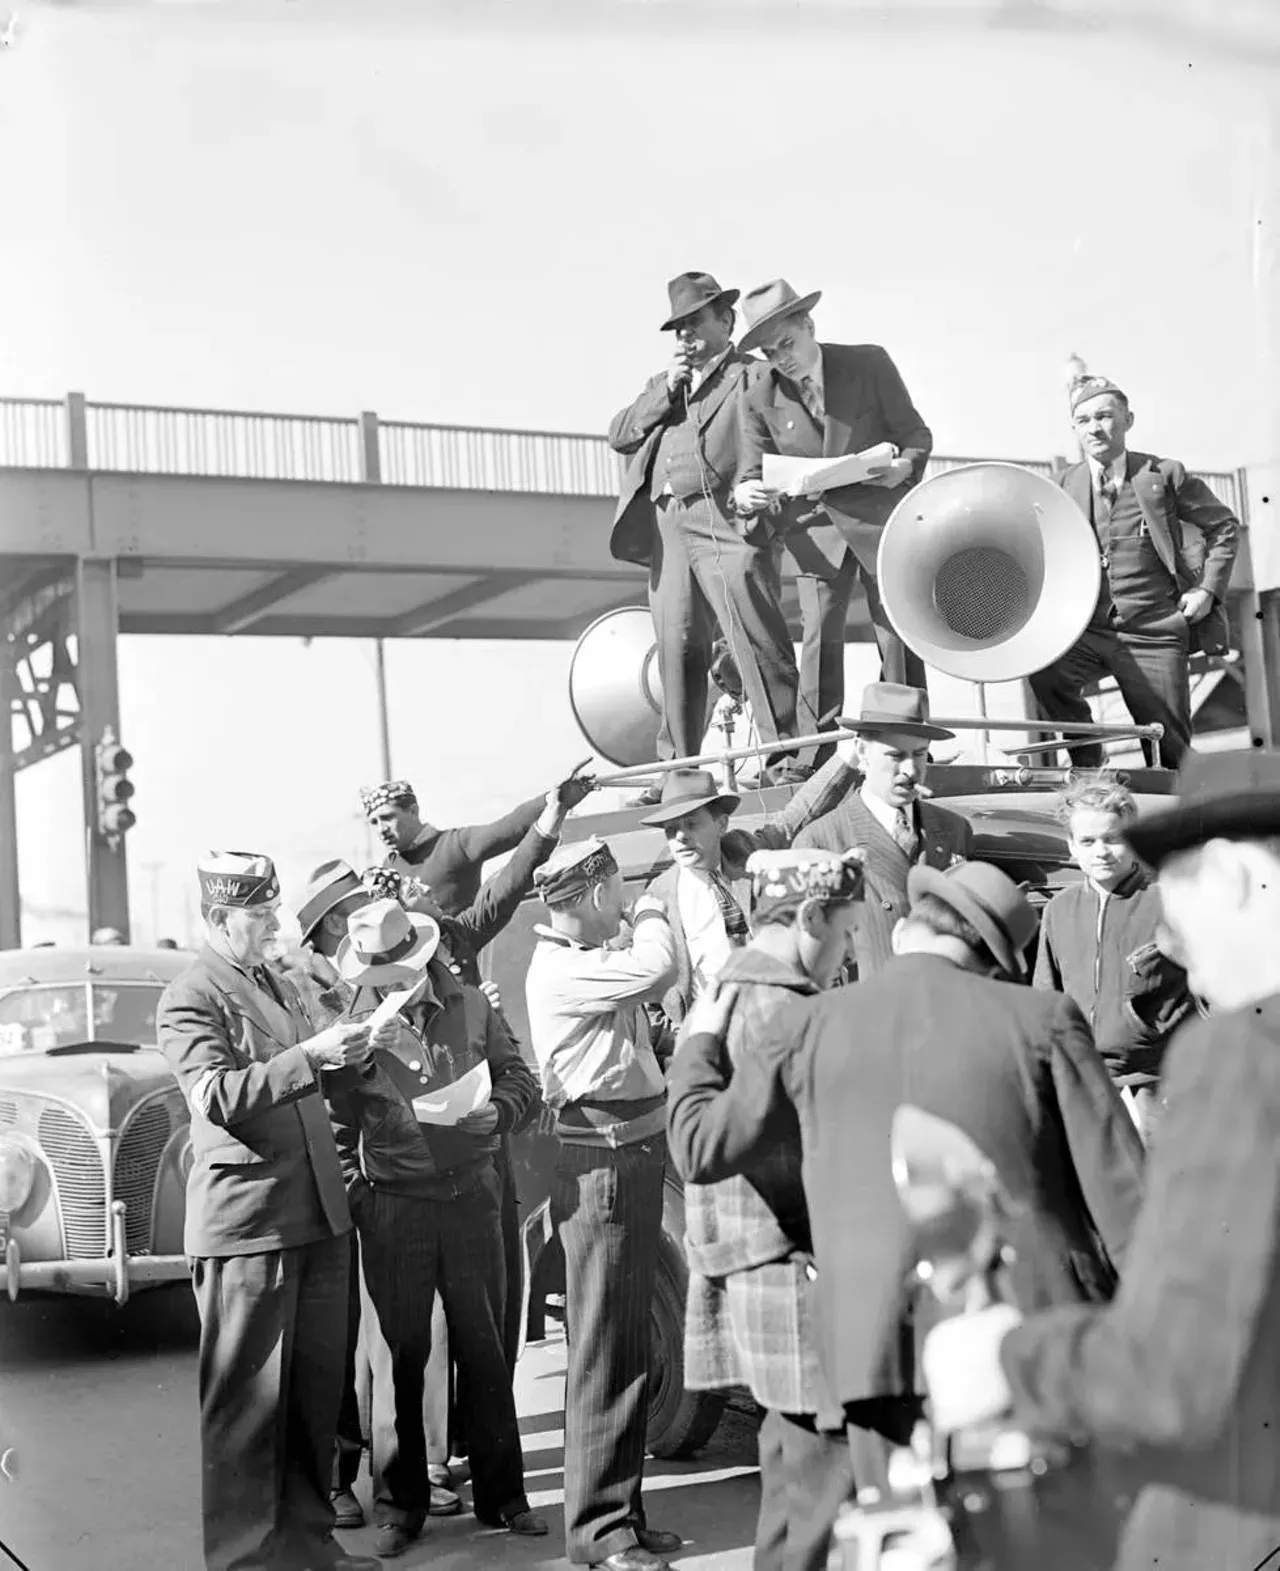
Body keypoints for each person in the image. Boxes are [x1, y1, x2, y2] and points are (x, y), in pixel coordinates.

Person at [668, 860, 1144, 1532]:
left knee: (910, 1538)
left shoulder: (808, 1025)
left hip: (871, 1351)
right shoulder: (1040, 1016)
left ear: (908, 929)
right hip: (1023, 1341)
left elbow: (699, 1145)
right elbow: (1125, 1202)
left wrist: (698, 1048)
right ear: (996, 959)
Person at [922, 749, 1280, 1570]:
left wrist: (1005, 1358)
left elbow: (1177, 1371)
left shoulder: (1241, 1058)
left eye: (1177, 887)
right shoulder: (1066, 918)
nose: (1178, 942)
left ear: (1226, 876)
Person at [156, 852, 379, 1571]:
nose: (277, 924)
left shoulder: (273, 982)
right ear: (220, 921)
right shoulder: (190, 996)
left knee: (312, 1398)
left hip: (315, 1213)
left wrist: (344, 1049)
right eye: (261, 915)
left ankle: (310, 1545)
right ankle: (245, 1560)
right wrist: (310, 1054)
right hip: (249, 1227)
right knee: (248, 1414)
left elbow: (301, 1069)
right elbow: (216, 1096)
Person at [326, 898, 544, 1559]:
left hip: (472, 1196)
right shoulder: (354, 1030)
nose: (384, 991)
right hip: (395, 1206)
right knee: (400, 1358)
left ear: (420, 965)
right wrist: (363, 1200)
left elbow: (521, 1081)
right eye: (375, 980)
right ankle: (400, 1505)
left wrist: (499, 1113)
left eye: (393, 978)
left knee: (484, 1347)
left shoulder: (473, 1006)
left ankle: (504, 1495)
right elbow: (337, 1130)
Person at [667, 848, 865, 1571]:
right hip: (797, 1269)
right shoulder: (786, 1008)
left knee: (789, 1490)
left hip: (760, 1264)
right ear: (810, 915)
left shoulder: (730, 989)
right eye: (842, 933)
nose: (845, 954)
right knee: (822, 1498)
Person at [524, 839, 684, 1571]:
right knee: (601, 1350)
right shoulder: (563, 968)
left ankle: (624, 1511)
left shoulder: (586, 960)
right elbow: (661, 964)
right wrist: (657, 903)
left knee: (628, 1347)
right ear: (591, 896)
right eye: (617, 889)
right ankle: (597, 1529)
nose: (624, 901)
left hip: (631, 1154)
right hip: (601, 1165)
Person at [607, 271, 802, 798]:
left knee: (754, 633)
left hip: (725, 519)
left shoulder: (751, 376)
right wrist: (666, 393)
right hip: (669, 522)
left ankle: (786, 755)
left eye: (695, 323)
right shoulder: (662, 386)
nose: (685, 337)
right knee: (678, 644)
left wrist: (756, 490)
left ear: (726, 322)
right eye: (678, 329)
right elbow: (619, 434)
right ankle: (678, 772)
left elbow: (779, 439)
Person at [732, 279, 933, 766]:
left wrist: (904, 466)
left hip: (881, 524)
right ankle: (814, 759)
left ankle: (907, 743)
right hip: (815, 535)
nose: (783, 359)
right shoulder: (757, 397)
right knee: (820, 642)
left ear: (810, 326)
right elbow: (748, 473)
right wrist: (745, 495)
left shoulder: (868, 364)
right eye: (770, 352)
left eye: (788, 344)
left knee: (897, 633)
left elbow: (914, 434)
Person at [1029, 370, 1239, 770]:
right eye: (1084, 420)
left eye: (1105, 416)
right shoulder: (1058, 486)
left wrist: (1207, 591)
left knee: (1169, 750)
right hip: (1086, 631)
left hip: (1154, 629)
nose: (1096, 428)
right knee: (1043, 667)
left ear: (1128, 421)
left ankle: (1176, 816)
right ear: (1073, 428)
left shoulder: (1163, 474)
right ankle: (1088, 760)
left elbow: (1224, 527)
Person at [641, 742, 860, 1022]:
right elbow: (632, 976)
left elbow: (797, 816)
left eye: (691, 824)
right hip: (715, 1033)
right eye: (671, 830)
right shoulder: (657, 898)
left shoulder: (744, 851)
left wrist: (848, 756)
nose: (680, 837)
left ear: (721, 825)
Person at [1034, 771, 1195, 1142]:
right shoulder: (1059, 910)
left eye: (1112, 839)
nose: (1101, 852)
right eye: (1087, 841)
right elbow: (1047, 996)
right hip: (1087, 1080)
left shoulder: (1167, 900)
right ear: (1071, 846)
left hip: (1158, 1082)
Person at [793, 683, 972, 977]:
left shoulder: (954, 830)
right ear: (862, 751)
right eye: (895, 756)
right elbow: (810, 966)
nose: (911, 770)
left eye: (919, 754)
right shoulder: (820, 840)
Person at [359, 761, 593, 914]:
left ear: (413, 811)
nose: (381, 829)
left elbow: (510, 827)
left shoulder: (455, 846)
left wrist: (555, 798)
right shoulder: (389, 868)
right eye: (374, 822)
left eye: (388, 817)